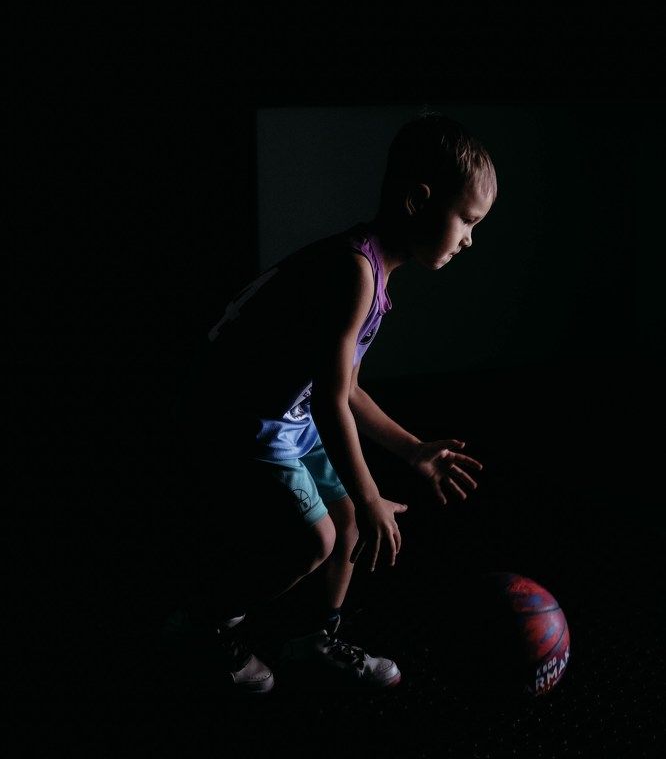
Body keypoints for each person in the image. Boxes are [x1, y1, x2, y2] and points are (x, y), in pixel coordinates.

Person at [163, 111, 496, 693]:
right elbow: (328, 403)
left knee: (347, 527)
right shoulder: (353, 271)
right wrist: (369, 495)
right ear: (418, 201)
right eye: (467, 220)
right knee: (315, 539)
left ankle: (315, 638)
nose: (470, 239)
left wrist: (412, 450)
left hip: (287, 412)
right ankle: (206, 624)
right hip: (244, 416)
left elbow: (347, 390)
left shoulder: (375, 273)